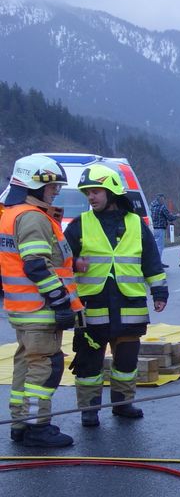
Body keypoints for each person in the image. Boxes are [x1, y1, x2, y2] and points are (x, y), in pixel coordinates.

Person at [64, 165, 168, 426]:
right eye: (88, 192)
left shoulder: (135, 224)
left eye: (96, 191)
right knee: (89, 362)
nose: (91, 197)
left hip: (129, 305)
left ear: (112, 192)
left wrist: (160, 291)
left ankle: (123, 404)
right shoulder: (79, 225)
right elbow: (61, 261)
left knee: (126, 360)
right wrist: (74, 263)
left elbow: (151, 261)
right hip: (92, 307)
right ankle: (89, 409)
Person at [0, 154, 81, 448]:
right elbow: (36, 265)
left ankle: (19, 423)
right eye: (51, 187)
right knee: (45, 366)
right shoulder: (33, 217)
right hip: (39, 307)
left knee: (26, 363)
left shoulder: (11, 213)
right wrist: (61, 302)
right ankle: (37, 427)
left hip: (21, 307)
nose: (55, 192)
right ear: (34, 184)